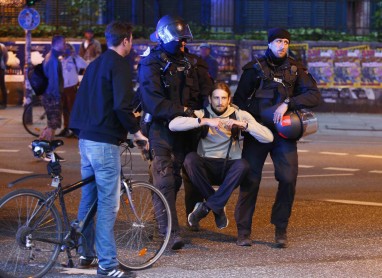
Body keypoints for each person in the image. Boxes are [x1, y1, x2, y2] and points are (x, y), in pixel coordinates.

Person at [69, 21, 147, 278]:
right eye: (132, 39)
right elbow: (121, 106)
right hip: (103, 143)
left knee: (89, 199)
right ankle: (107, 264)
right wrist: (137, 132)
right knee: (107, 204)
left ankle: (85, 253)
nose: (132, 44)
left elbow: (83, 101)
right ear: (126, 40)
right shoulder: (120, 65)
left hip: (86, 139)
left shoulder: (95, 64)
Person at [233, 28, 321, 248]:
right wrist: (246, 123)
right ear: (269, 44)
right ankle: (244, 231)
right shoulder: (253, 69)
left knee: (288, 178)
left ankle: (280, 228)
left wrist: (288, 103)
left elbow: (314, 95)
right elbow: (238, 101)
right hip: (257, 132)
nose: (282, 45)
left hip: (284, 134)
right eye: (278, 41)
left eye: (285, 41)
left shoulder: (296, 68)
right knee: (250, 180)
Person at [138, 14, 213, 250]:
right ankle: (169, 232)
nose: (184, 44)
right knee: (164, 179)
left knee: (176, 180)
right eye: (180, 40)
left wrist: (210, 115)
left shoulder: (194, 63)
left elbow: (207, 92)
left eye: (184, 40)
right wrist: (183, 110)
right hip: (161, 129)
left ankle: (161, 222)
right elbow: (153, 102)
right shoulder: (152, 63)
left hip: (187, 131)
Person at [169, 82, 273, 232]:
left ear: (229, 99)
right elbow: (173, 125)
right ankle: (217, 206)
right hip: (205, 166)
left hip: (228, 166)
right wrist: (203, 121)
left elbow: (268, 137)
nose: (220, 102)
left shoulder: (239, 114)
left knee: (243, 164)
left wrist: (243, 125)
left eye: (223, 98)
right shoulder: (201, 113)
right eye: (216, 98)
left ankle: (207, 206)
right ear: (210, 99)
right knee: (190, 159)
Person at [39, 35, 66, 154]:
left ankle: (39, 144)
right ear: (57, 44)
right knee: (53, 124)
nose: (65, 46)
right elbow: (54, 82)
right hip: (52, 96)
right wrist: (57, 97)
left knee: (51, 123)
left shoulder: (51, 56)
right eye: (63, 43)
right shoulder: (53, 60)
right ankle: (48, 151)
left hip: (49, 95)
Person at [58, 43, 87, 138]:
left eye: (67, 49)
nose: (65, 51)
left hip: (71, 87)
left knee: (72, 109)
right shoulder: (61, 60)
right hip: (62, 88)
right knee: (64, 109)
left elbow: (85, 65)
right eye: (64, 49)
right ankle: (66, 128)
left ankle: (75, 130)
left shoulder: (74, 59)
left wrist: (76, 56)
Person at [0, 42, 8, 109]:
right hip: (1, 68)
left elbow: (5, 57)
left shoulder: (2, 47)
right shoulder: (3, 46)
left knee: (2, 86)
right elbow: (6, 57)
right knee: (2, 86)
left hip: (1, 68)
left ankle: (4, 102)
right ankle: (4, 102)